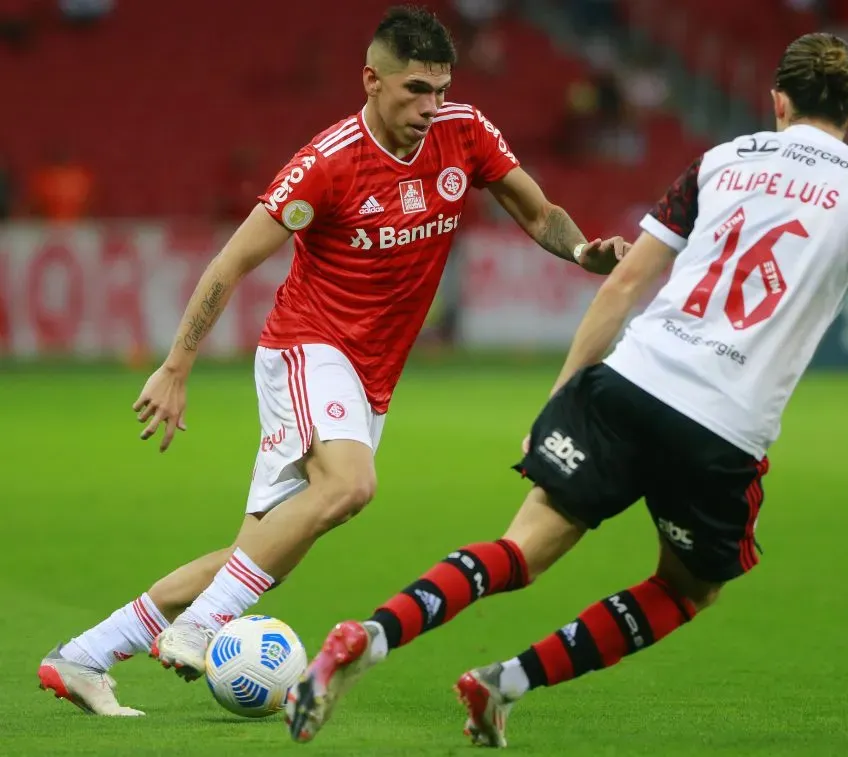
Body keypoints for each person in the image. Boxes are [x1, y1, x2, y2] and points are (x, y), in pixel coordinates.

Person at [283, 31, 848, 746]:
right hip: (719, 426)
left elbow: (624, 283)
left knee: (518, 549)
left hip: (628, 381)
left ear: (777, 101)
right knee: (687, 589)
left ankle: (369, 632)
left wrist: (562, 395)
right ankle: (508, 679)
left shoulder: (720, 161)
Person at [37, 4, 629, 716]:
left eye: (440, 87)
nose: (431, 105)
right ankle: (198, 626)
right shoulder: (328, 163)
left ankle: (82, 656)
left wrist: (581, 249)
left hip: (370, 377)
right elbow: (232, 261)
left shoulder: (463, 133)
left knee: (254, 559)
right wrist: (176, 364)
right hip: (307, 348)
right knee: (351, 484)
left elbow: (538, 212)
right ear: (371, 80)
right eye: (415, 89)